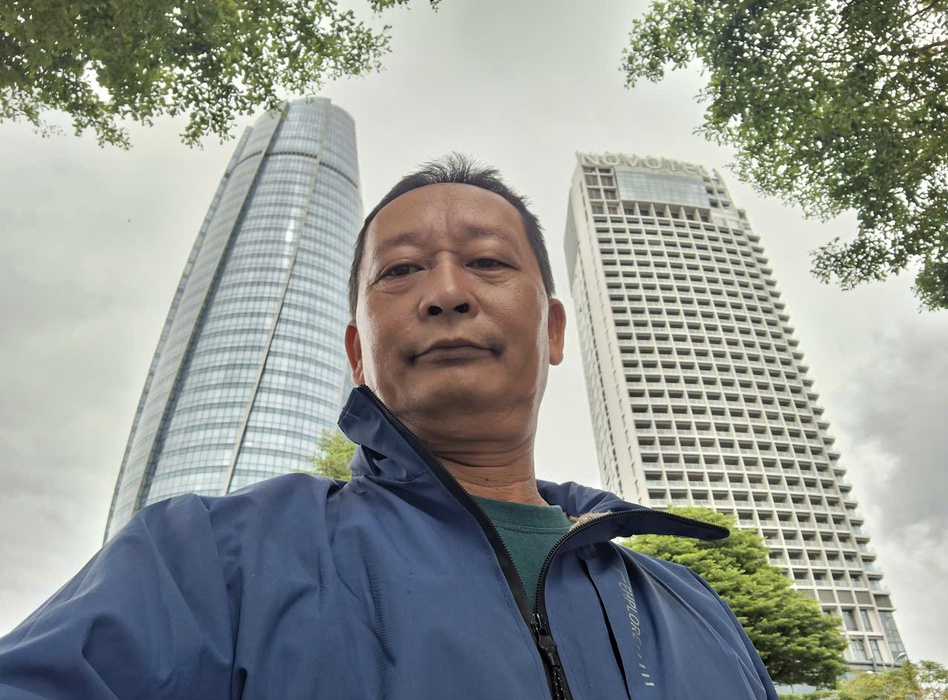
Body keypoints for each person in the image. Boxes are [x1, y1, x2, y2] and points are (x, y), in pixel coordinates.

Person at [0, 154, 778, 699]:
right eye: (401, 270)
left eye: (489, 262)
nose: (446, 293)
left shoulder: (693, 607)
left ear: (553, 330)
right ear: (357, 353)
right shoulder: (205, 558)